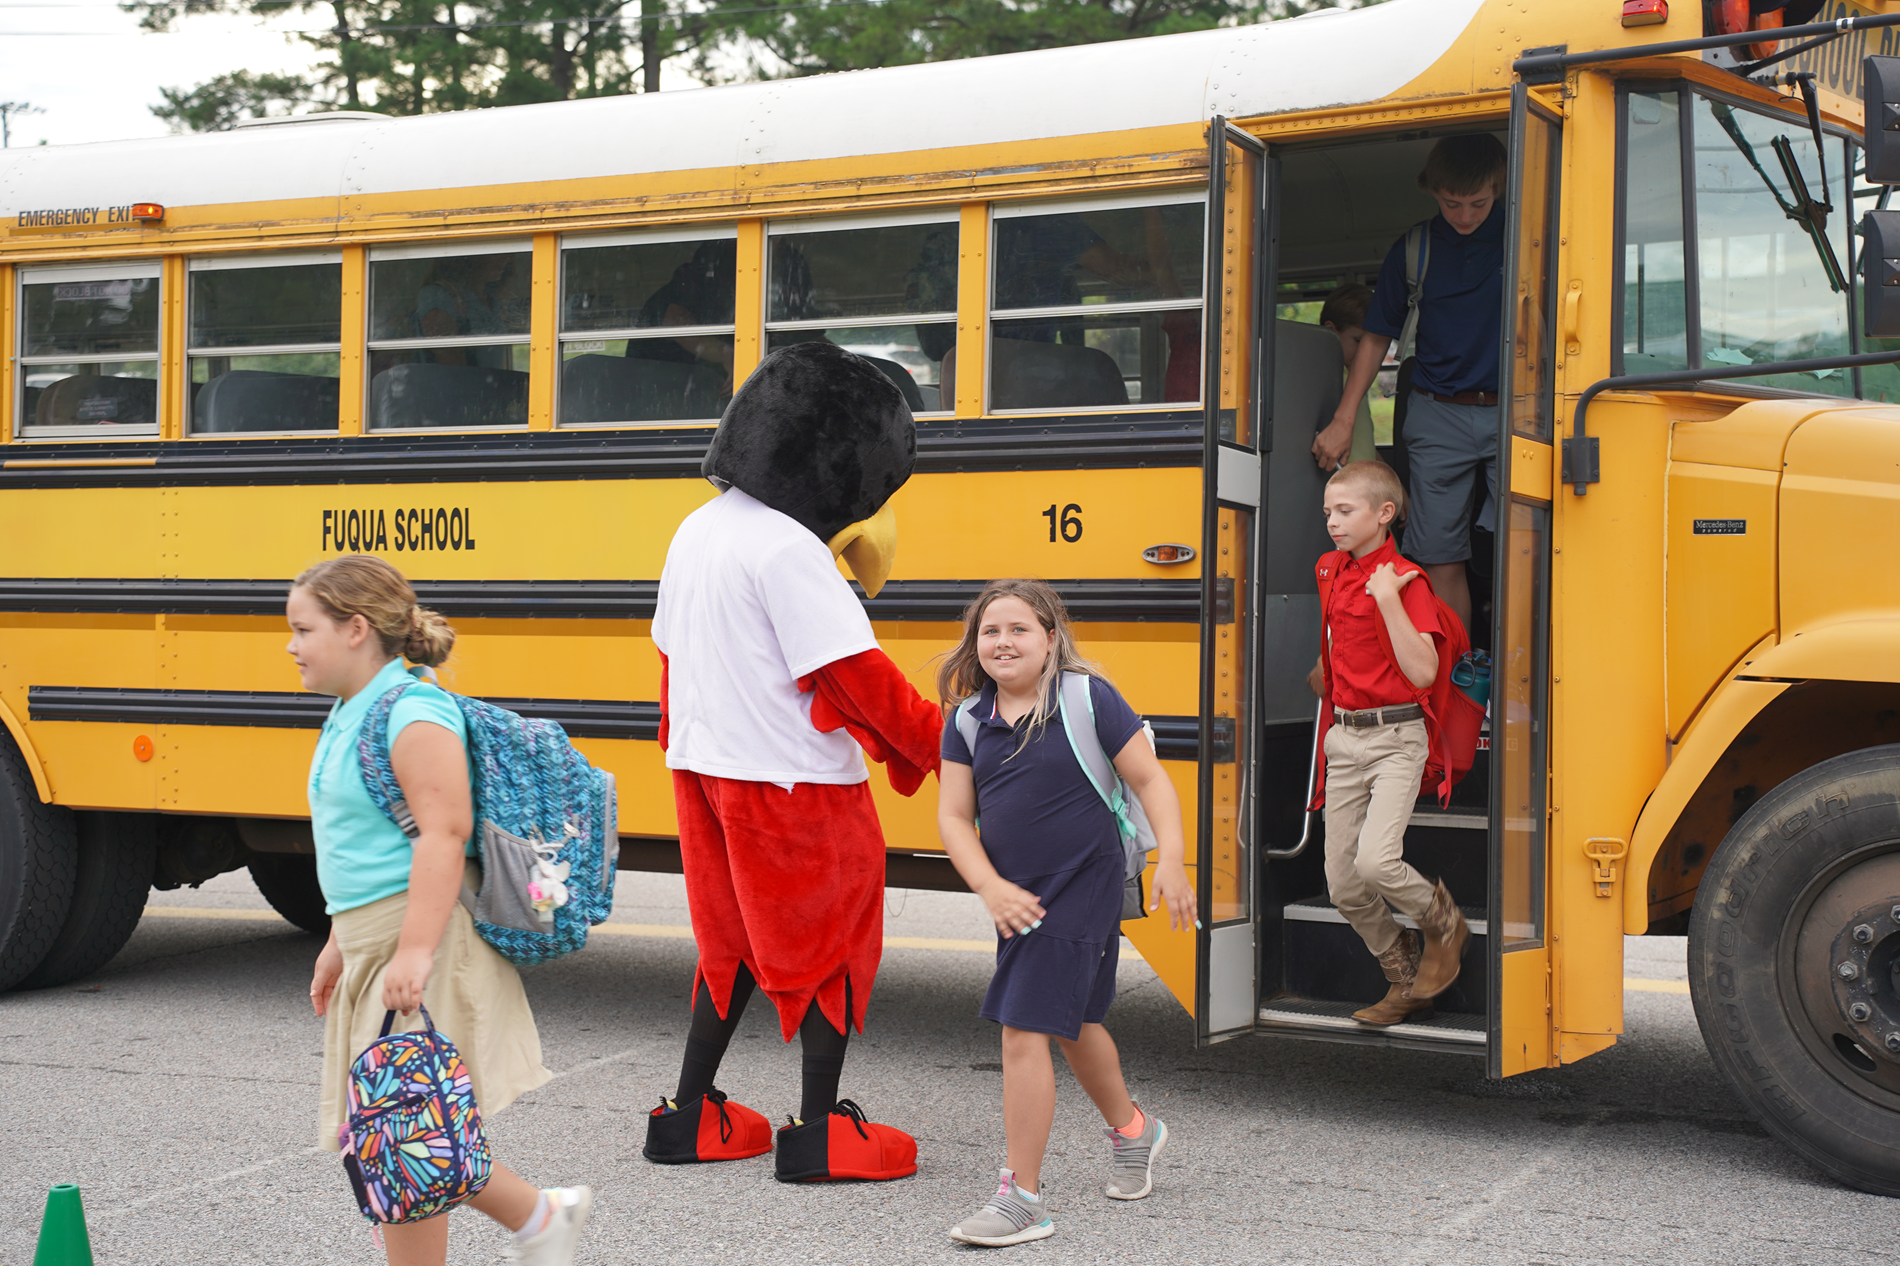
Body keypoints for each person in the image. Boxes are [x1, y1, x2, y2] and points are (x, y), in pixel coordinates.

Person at [645, 341, 943, 1182]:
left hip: (703, 771)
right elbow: (856, 679)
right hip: (795, 781)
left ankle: (688, 1115)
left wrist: (688, 749)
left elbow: (669, 656)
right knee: (832, 942)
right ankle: (817, 1132)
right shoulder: (789, 548)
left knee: (728, 941)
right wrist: (945, 747)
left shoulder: (695, 530)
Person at [294, 555, 591, 1266]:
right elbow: (369, 841)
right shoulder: (352, 710)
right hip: (376, 939)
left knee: (402, 1138)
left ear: (356, 629)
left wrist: (415, 951)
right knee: (403, 1131)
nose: (291, 644)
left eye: (303, 629)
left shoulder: (410, 710)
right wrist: (341, 939)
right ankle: (543, 1218)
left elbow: (444, 832)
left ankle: (543, 1220)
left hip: (419, 938)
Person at [935, 578, 1197, 1248]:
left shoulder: (1087, 698)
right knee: (1074, 1023)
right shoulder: (968, 720)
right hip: (1018, 891)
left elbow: (1149, 780)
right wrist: (989, 885)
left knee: (1023, 1026)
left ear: (1051, 638)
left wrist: (1171, 858)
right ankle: (1136, 1132)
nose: (1003, 642)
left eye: (1019, 629)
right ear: (976, 645)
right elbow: (955, 817)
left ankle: (1021, 1197)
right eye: (990, 631)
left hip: (1084, 881)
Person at [1312, 133, 1509, 634]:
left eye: (1478, 203)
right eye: (1451, 204)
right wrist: (1343, 418)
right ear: (1431, 192)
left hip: (1514, 408)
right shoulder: (1415, 250)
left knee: (1526, 548)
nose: (1464, 216)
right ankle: (1455, 683)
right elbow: (1377, 338)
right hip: (1437, 410)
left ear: (1500, 187)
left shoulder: (1529, 237)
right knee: (1440, 556)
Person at [1308, 462, 1470, 1028]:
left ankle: (1443, 922)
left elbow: (1424, 671)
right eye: (1328, 511)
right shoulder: (1330, 569)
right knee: (1343, 883)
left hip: (1398, 737)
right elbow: (1340, 642)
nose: (1332, 521)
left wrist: (1388, 601)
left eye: (1345, 511)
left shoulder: (1405, 579)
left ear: (1384, 514)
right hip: (1345, 738)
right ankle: (1403, 973)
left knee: (1377, 861)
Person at [1319, 283, 1378, 466]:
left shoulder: (1355, 379)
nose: (1366, 353)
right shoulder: (1320, 381)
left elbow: (1362, 443)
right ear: (1331, 331)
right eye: (1358, 340)